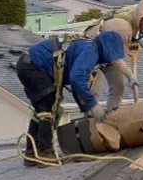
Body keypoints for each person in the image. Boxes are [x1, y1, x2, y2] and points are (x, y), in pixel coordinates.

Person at [15, 30, 128, 165]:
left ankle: (31, 153)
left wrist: (86, 109)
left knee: (42, 109)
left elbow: (77, 86)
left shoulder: (87, 47)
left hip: (27, 64)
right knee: (47, 107)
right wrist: (93, 105)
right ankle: (45, 152)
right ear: (108, 49)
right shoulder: (91, 52)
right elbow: (76, 79)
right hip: (33, 66)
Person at [84, 0, 143, 112]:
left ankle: (112, 117)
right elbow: (115, 58)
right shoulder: (122, 27)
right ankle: (90, 125)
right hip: (90, 51)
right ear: (140, 14)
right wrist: (130, 76)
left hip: (108, 52)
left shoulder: (136, 12)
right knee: (93, 92)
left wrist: (130, 41)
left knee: (118, 86)